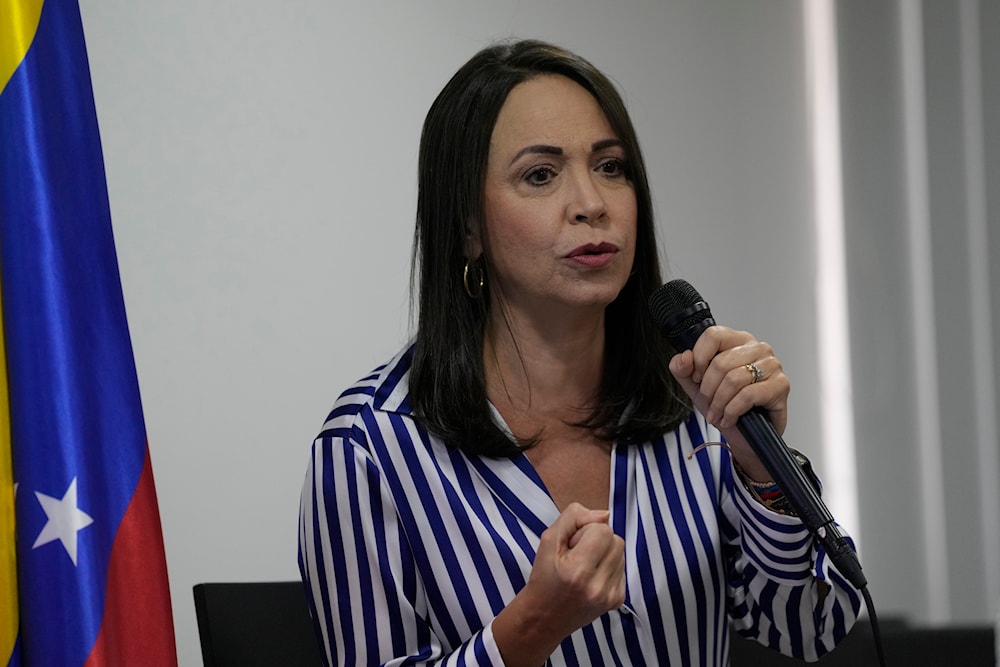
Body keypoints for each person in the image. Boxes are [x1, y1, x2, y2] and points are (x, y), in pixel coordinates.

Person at [298, 38, 861, 666]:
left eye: (611, 166)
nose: (592, 204)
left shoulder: (695, 407)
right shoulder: (368, 446)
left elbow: (812, 627)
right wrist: (535, 625)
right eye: (540, 175)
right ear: (467, 227)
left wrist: (762, 469)